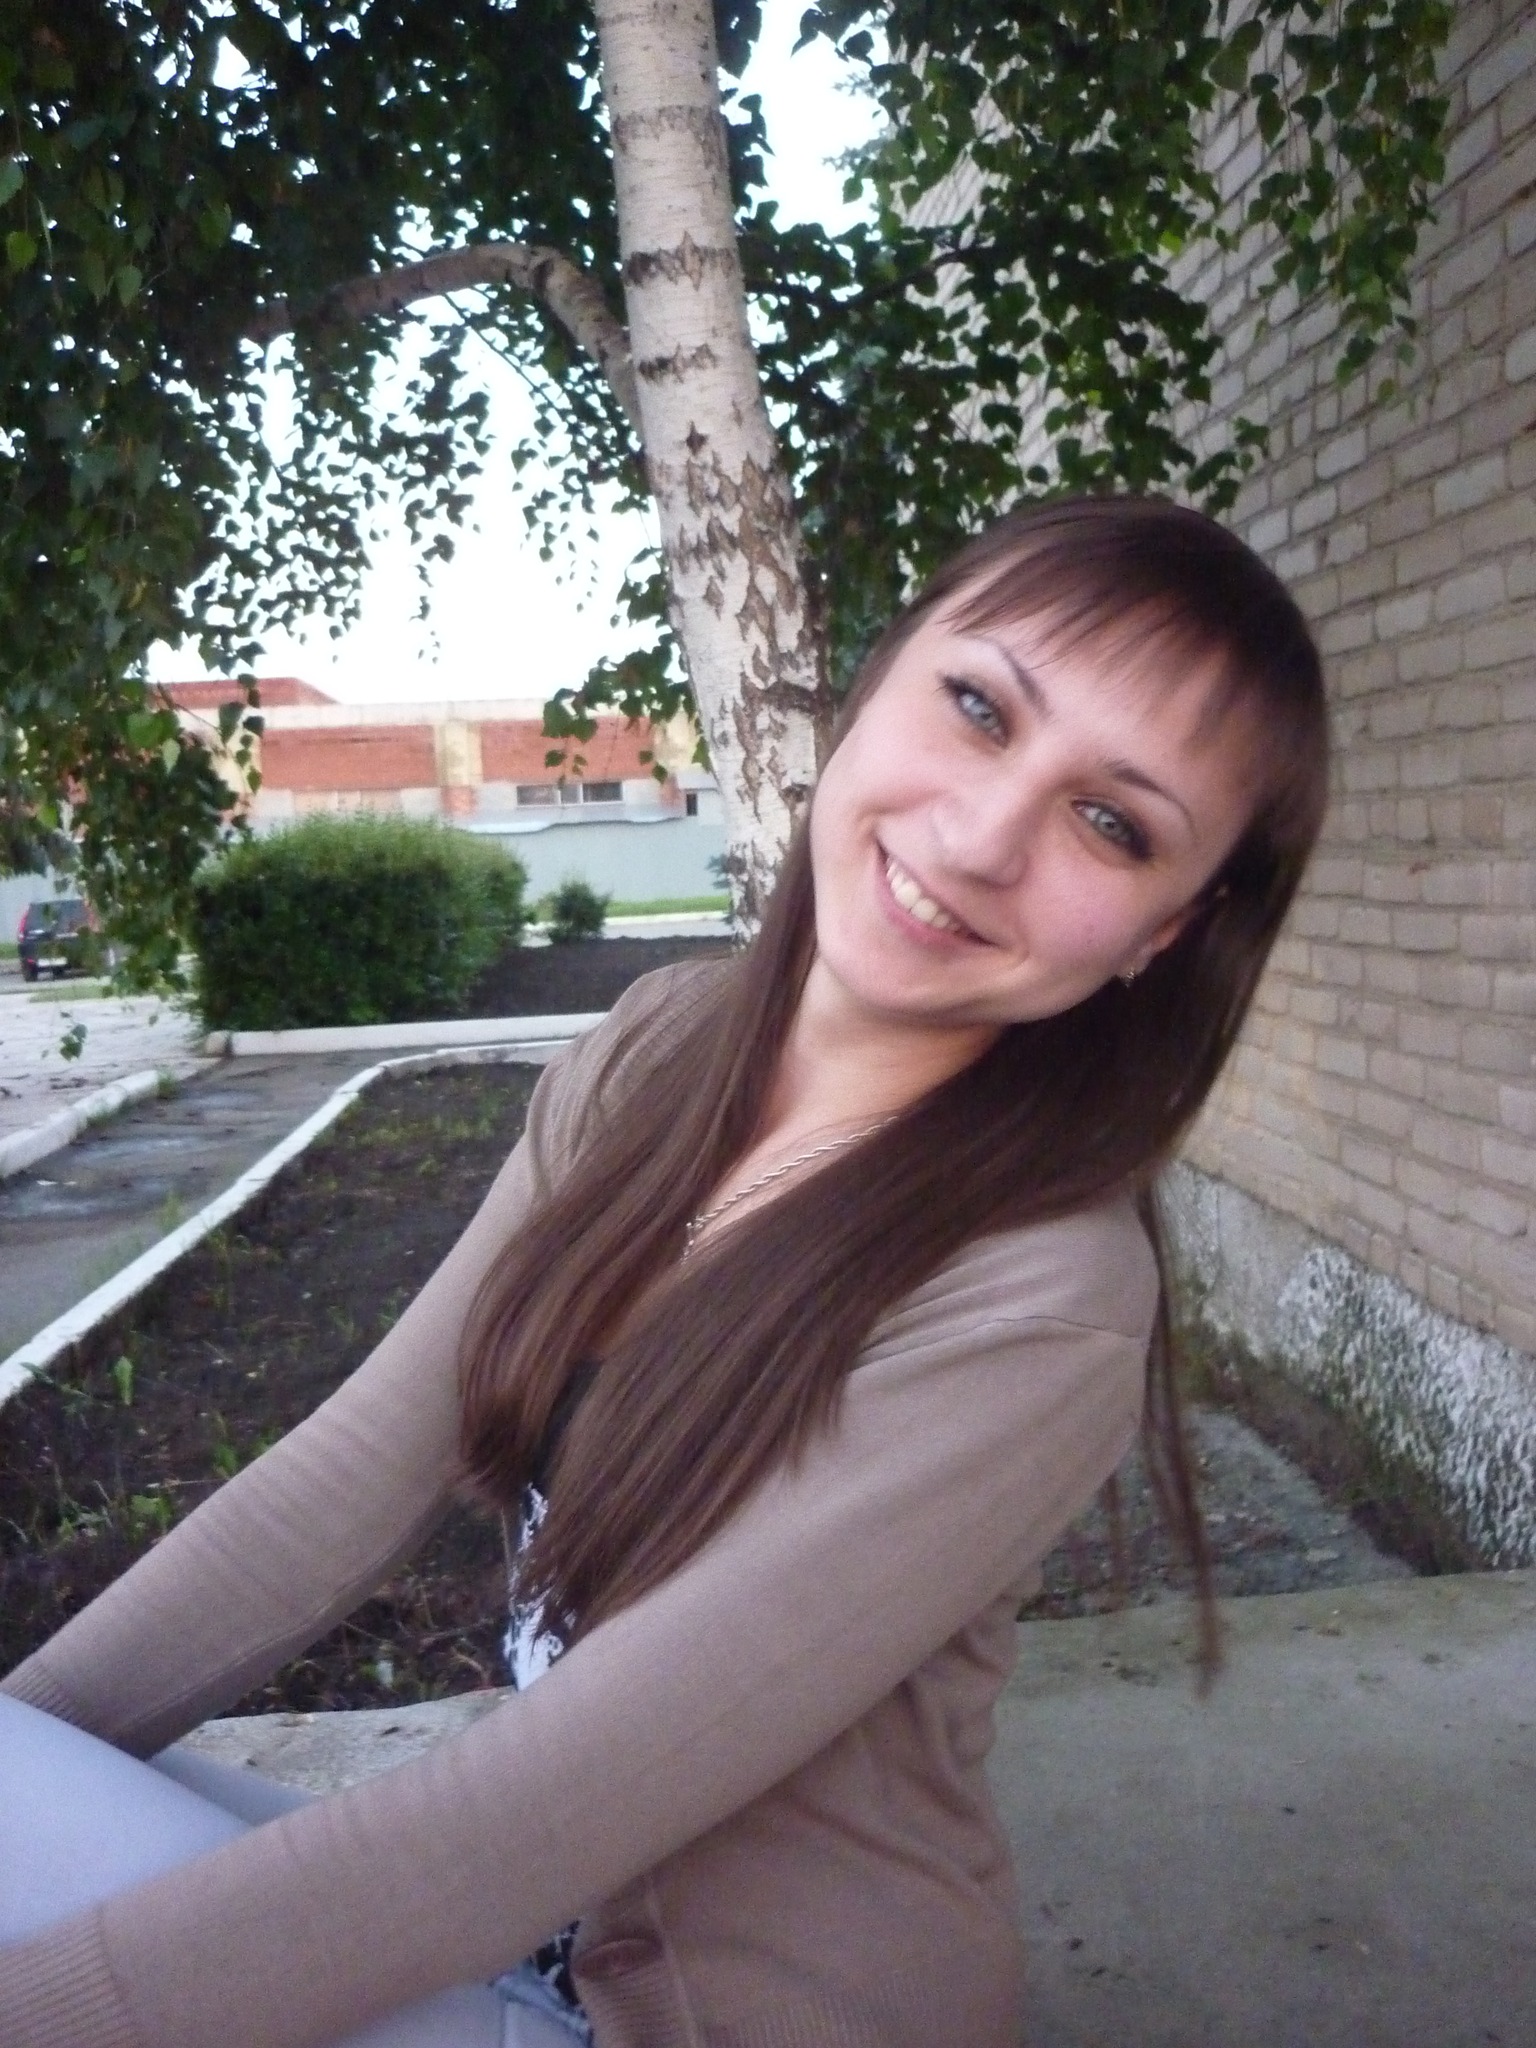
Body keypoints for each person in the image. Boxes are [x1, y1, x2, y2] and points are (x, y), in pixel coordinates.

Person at [0, 495, 1328, 2048]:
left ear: (1167, 933)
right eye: (979, 709)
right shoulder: (659, 1049)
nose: (981, 840)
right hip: (527, 1951)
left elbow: (513, 1832)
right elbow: (341, 1485)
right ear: (874, 679)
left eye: (1114, 824)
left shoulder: (1041, 1299)